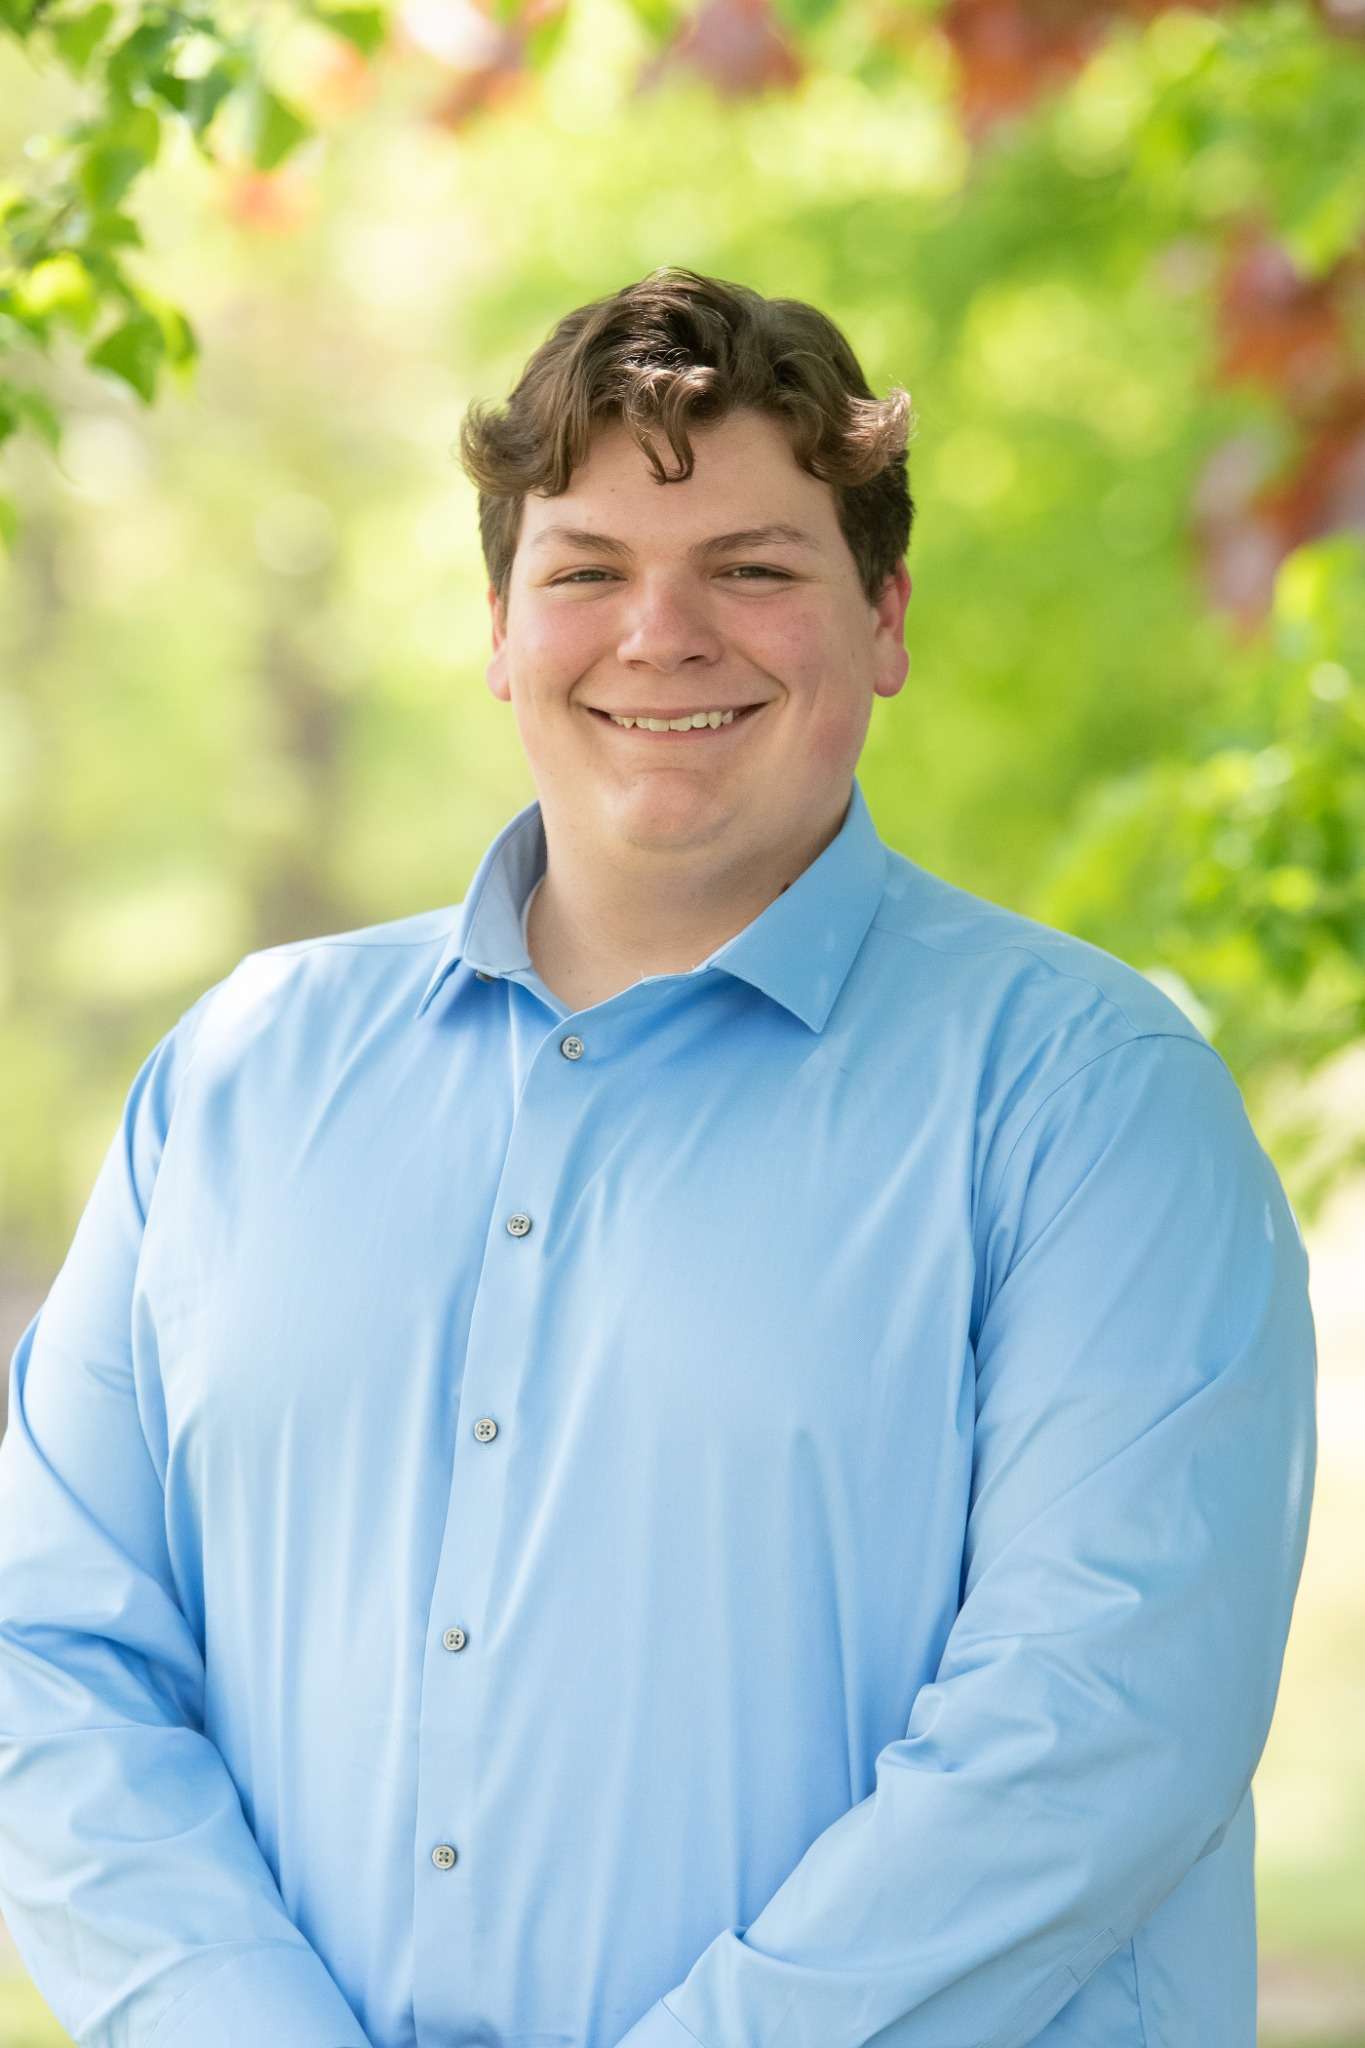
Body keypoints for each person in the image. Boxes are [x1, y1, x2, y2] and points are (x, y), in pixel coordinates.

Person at [0, 266, 1316, 2048]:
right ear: (497, 622)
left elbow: (1094, 1730)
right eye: (587, 572)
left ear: (886, 617)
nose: (660, 634)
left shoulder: (1091, 1102)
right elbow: (48, 1653)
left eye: (754, 571)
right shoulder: (236, 1078)